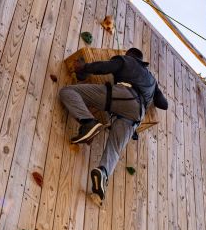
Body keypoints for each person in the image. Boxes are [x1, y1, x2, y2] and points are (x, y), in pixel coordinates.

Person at [58, 47, 168, 202]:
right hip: (137, 115)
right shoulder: (152, 80)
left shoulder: (126, 60)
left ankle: (88, 122)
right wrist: (152, 90)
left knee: (68, 92)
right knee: (115, 147)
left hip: (122, 95)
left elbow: (104, 67)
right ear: (142, 61)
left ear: (130, 55)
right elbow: (164, 104)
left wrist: (84, 68)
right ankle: (103, 173)